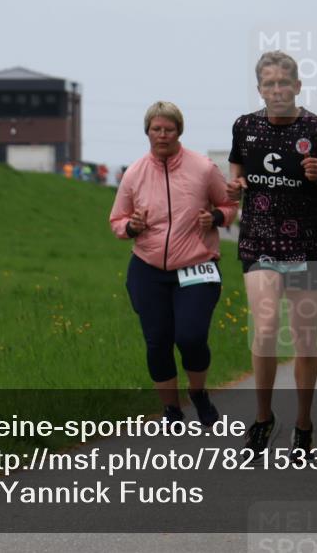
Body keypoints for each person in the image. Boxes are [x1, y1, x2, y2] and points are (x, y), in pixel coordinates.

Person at [227, 51, 317, 458]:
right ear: (260, 88)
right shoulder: (244, 126)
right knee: (264, 328)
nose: (277, 90)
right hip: (259, 242)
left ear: (298, 86)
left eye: (285, 83)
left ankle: (303, 422)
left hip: (307, 244)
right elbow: (236, 167)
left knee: (304, 339)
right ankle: (263, 418)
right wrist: (236, 185)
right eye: (270, 84)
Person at [109, 101, 239, 427]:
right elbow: (117, 220)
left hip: (196, 265)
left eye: (168, 129)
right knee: (158, 340)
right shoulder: (134, 174)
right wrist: (131, 227)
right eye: (156, 129)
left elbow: (228, 203)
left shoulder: (203, 168)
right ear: (148, 132)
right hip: (147, 268)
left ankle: (198, 394)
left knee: (191, 337)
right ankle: (171, 410)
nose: (162, 135)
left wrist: (218, 217)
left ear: (179, 131)